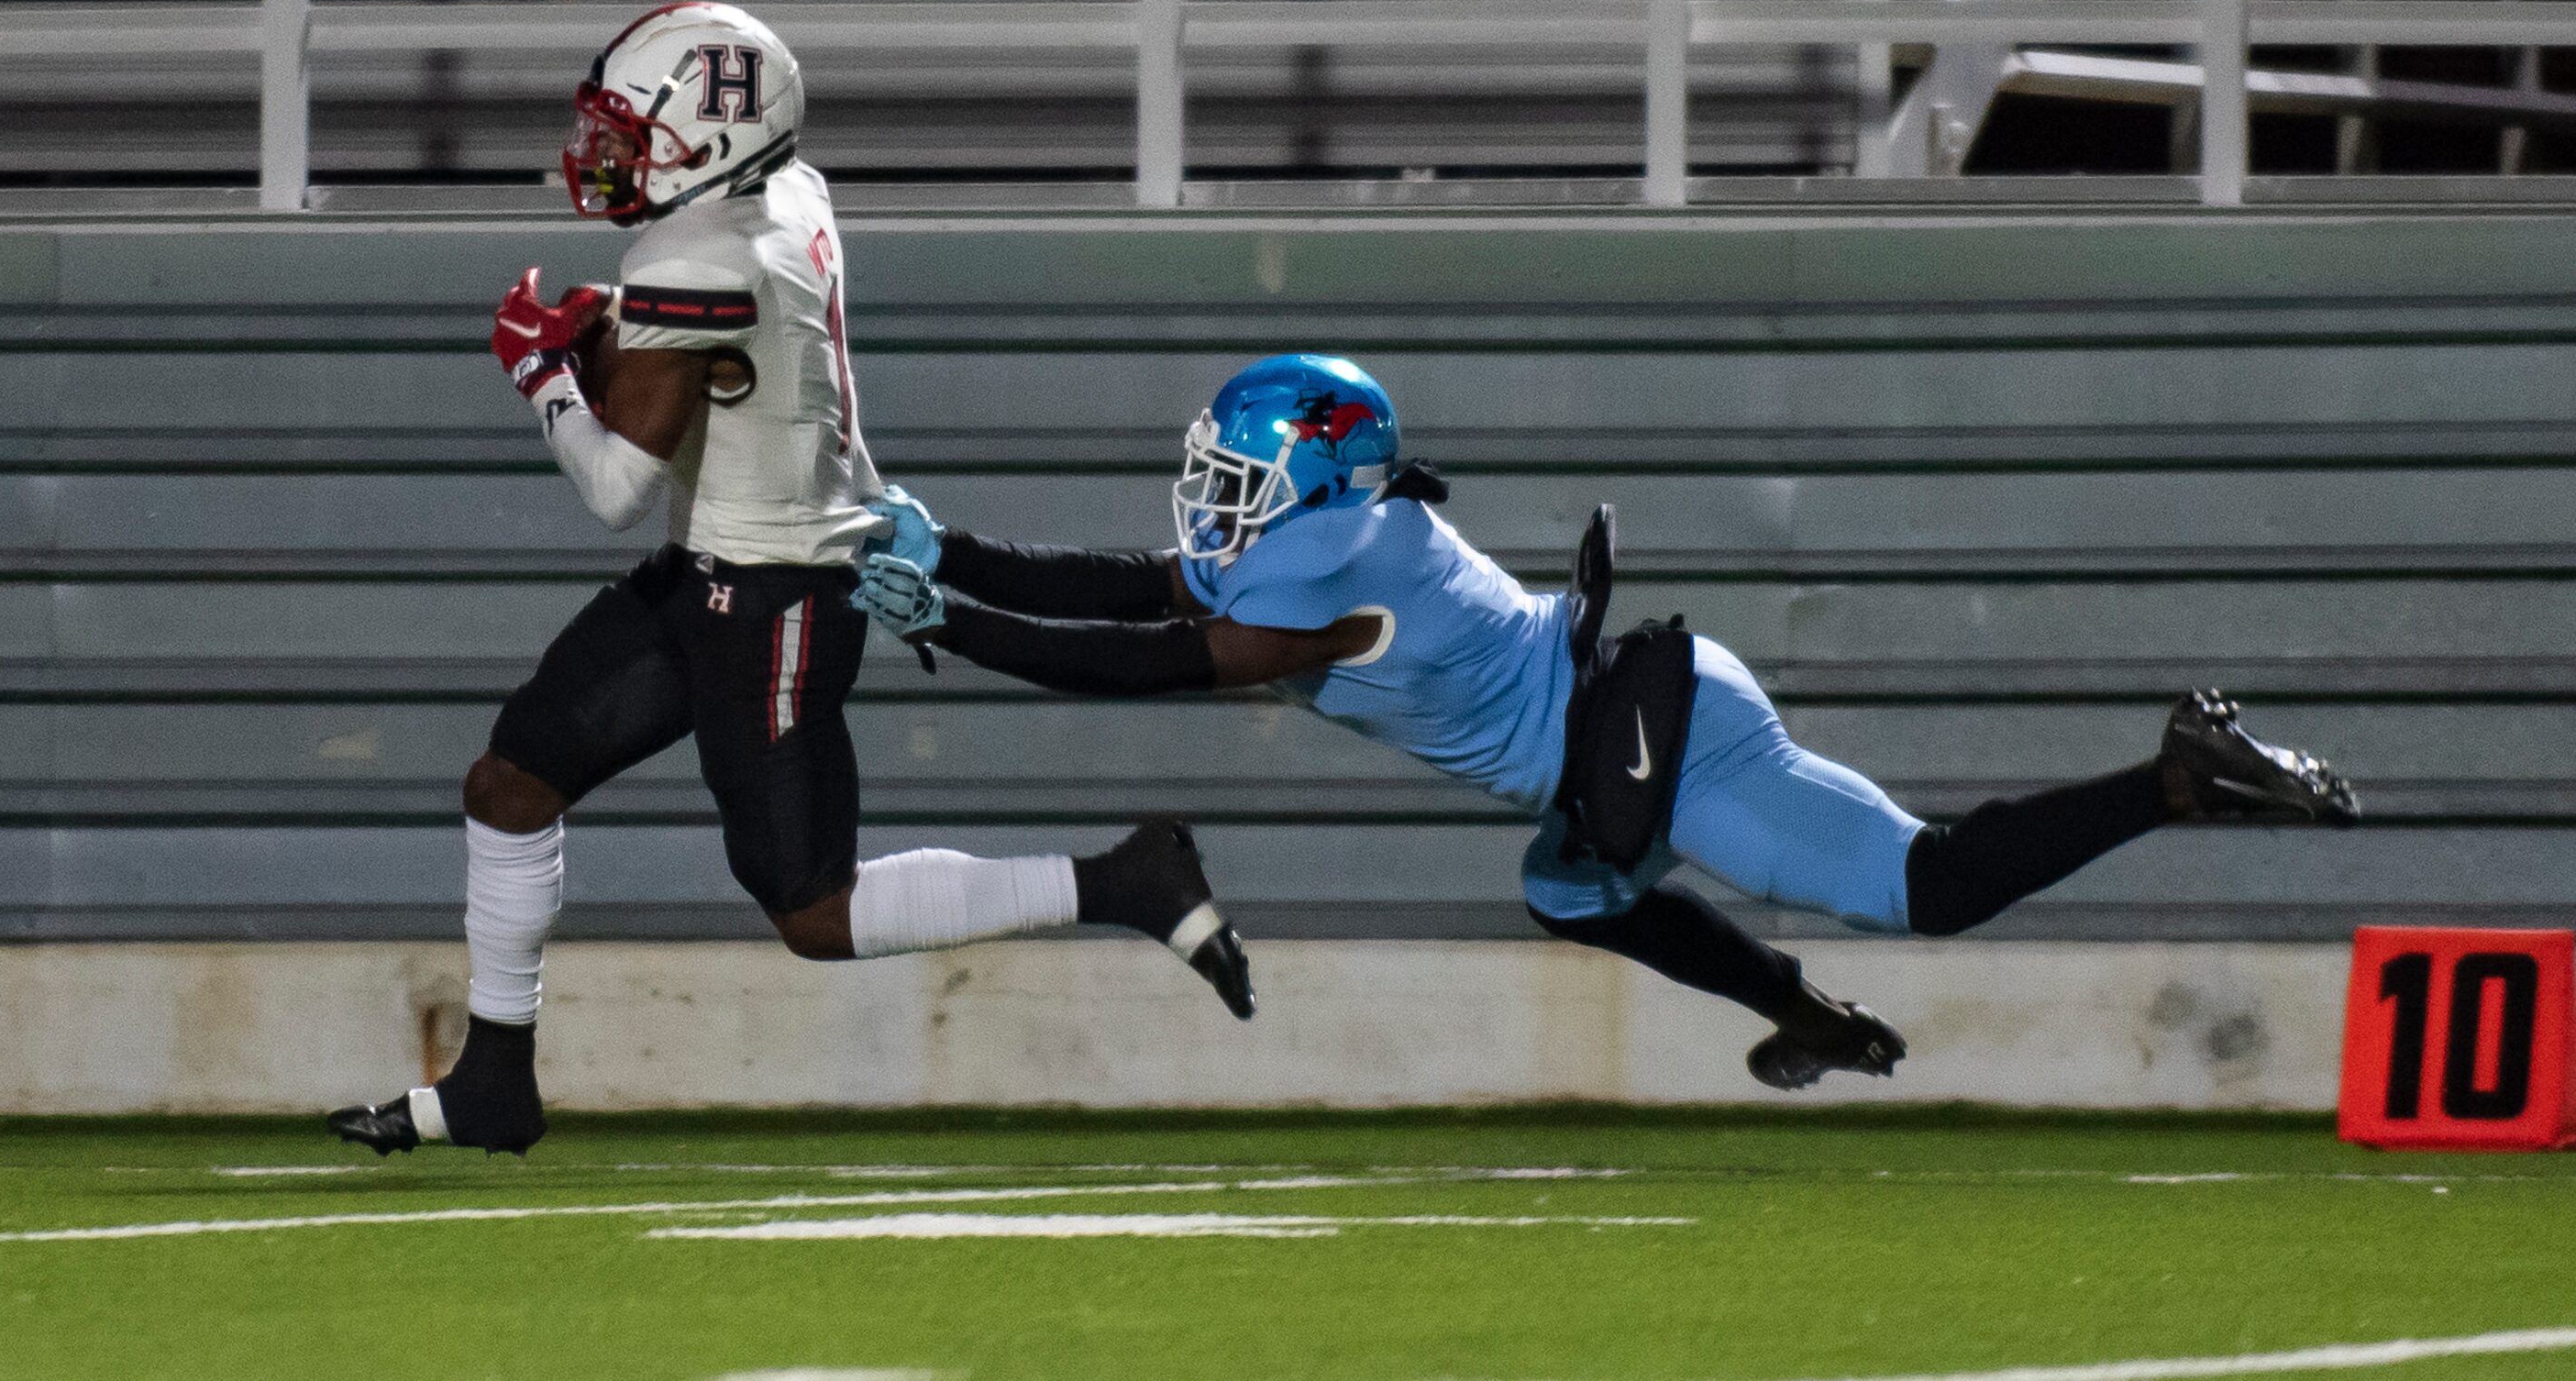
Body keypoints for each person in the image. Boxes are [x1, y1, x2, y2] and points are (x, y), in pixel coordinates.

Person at [849, 352, 2358, 1091]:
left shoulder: (1343, 571)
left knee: (1928, 885)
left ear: (1309, 481)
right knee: (1568, 884)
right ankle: (1801, 1011)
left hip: (1661, 728)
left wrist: (955, 621)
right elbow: (1129, 591)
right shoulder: (1314, 540)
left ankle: (2173, 774)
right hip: (1595, 750)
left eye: (1235, 475)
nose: (1210, 502)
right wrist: (956, 551)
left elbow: (1146, 667)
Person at [327, 4, 1250, 1158]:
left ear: (708, 141)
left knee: (814, 911)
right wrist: (612, 320)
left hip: (777, 598)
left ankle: (1124, 880)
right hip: (712, 564)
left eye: (632, 132)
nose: (607, 155)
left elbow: (615, 483)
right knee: (511, 784)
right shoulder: (785, 195)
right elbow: (743, 364)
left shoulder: (695, 255)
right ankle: (492, 1084)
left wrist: (541, 375)